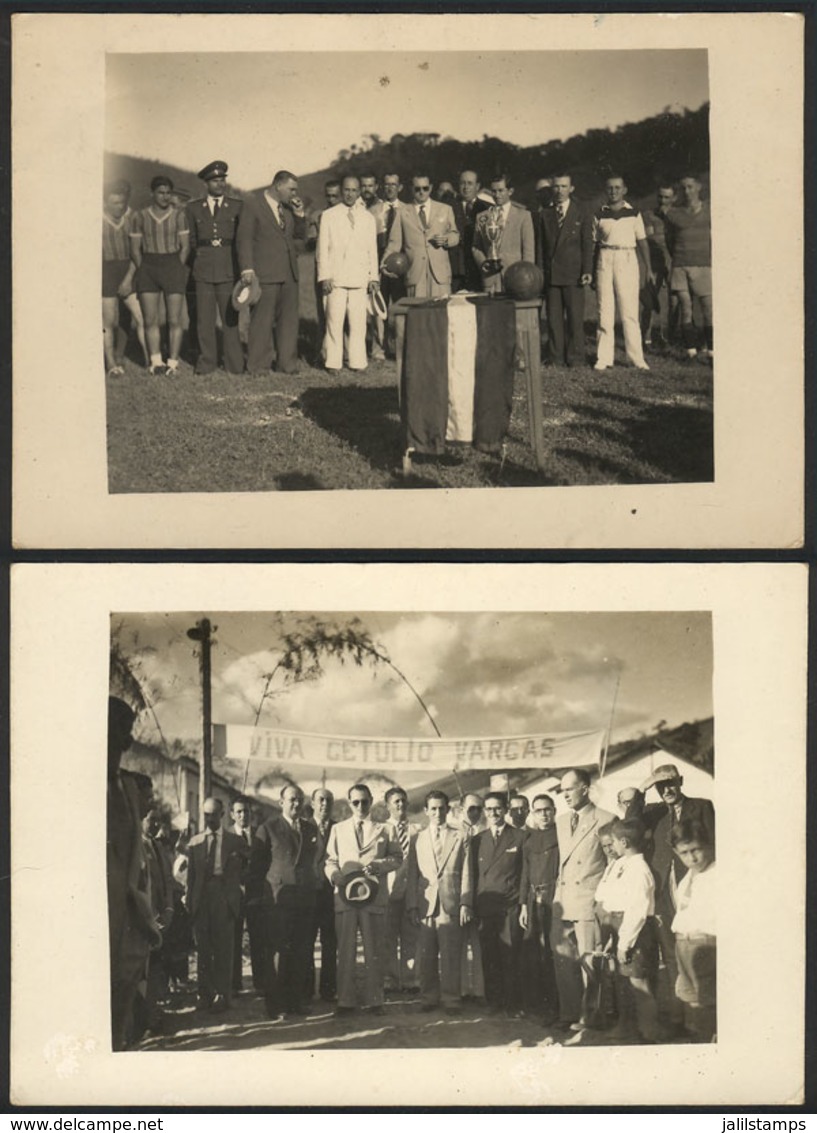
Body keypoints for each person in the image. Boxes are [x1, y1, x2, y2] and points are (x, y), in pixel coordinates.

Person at [640, 763, 715, 1032]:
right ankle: (677, 1016)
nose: (666, 790)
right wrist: (643, 788)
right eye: (660, 786)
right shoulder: (654, 812)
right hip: (663, 887)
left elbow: (714, 843)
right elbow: (629, 823)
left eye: (670, 783)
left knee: (698, 951)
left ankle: (699, 1019)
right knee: (672, 953)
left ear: (681, 781)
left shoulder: (702, 806)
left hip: (693, 881)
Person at [106, 698, 161, 1050]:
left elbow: (135, 864)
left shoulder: (126, 787)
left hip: (128, 920)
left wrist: (145, 921)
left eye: (124, 734)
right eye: (116, 733)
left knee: (120, 1005)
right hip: (91, 925)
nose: (122, 742)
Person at [324, 783, 402, 1015]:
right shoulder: (338, 829)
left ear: (371, 802)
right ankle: (345, 1001)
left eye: (364, 801)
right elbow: (330, 860)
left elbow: (397, 858)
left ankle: (375, 1000)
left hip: (374, 897)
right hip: (346, 897)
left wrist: (378, 866)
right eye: (355, 802)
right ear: (349, 804)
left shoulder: (386, 829)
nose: (360, 806)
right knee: (345, 950)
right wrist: (335, 875)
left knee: (374, 950)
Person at [248, 784, 320, 1019]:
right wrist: (258, 900)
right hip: (278, 900)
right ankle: (276, 1006)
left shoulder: (310, 829)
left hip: (303, 899)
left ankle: (295, 1003)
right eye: (291, 799)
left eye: (299, 799)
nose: (296, 804)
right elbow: (257, 868)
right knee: (278, 954)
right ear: (281, 803)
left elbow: (312, 862)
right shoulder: (268, 828)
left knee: (301, 953)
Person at [550, 768, 613, 1030]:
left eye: (570, 789)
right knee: (564, 963)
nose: (564, 795)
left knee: (590, 964)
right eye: (562, 790)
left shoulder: (606, 818)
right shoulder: (561, 821)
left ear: (585, 788)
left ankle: (591, 1017)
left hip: (588, 901)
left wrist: (603, 903)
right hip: (563, 900)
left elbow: (612, 864)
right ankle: (569, 1013)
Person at [406, 791, 473, 1014]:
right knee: (426, 954)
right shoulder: (417, 839)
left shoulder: (460, 836)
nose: (437, 812)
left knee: (450, 953)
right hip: (426, 904)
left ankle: (451, 999)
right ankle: (429, 997)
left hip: (450, 902)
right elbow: (413, 874)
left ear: (448, 809)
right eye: (432, 808)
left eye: (441, 808)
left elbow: (466, 873)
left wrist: (465, 902)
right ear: (426, 811)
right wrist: (413, 905)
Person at [236, 169, 306, 376]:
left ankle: (287, 364)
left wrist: (300, 215)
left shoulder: (289, 208)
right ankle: (258, 365)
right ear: (278, 186)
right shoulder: (253, 204)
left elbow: (299, 238)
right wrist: (247, 268)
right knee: (261, 322)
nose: (294, 194)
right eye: (291, 190)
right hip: (264, 274)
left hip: (289, 274)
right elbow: (244, 239)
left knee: (289, 322)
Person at [598, 818, 660, 1043]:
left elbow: (637, 910)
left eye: (613, 841)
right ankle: (628, 1028)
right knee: (624, 982)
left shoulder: (639, 870)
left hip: (634, 930)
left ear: (623, 842)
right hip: (619, 925)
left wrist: (625, 943)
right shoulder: (623, 864)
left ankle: (649, 1034)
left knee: (638, 983)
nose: (611, 846)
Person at [186, 797, 247, 1013]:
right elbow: (191, 877)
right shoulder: (195, 843)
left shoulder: (235, 841)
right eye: (206, 814)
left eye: (213, 814)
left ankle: (223, 994)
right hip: (202, 898)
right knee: (203, 949)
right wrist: (190, 903)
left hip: (224, 897)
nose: (209, 818)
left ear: (222, 814)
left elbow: (246, 871)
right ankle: (205, 994)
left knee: (224, 948)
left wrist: (238, 891)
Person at [316, 175, 381, 375]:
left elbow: (372, 249)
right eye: (347, 190)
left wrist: (373, 277)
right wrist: (324, 276)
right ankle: (333, 363)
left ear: (359, 191)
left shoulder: (368, 218)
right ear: (341, 190)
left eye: (354, 190)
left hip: (359, 279)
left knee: (358, 323)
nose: (350, 194)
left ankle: (357, 361)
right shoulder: (329, 215)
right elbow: (322, 249)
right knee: (334, 322)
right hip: (335, 278)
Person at [185, 160, 244, 375]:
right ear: (207, 184)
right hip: (203, 270)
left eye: (222, 180)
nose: (220, 184)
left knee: (230, 318)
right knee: (204, 319)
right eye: (215, 181)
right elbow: (191, 239)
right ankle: (207, 363)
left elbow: (241, 239)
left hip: (228, 269)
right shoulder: (193, 208)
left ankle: (234, 364)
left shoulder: (237, 206)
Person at [129, 175, 190, 375]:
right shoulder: (140, 216)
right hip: (148, 265)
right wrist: (144, 267)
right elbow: (135, 249)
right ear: (152, 193)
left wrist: (175, 267)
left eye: (168, 193)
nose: (165, 197)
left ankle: (172, 363)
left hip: (172, 264)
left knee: (174, 319)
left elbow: (185, 247)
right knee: (150, 319)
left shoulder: (179, 215)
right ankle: (156, 362)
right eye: (160, 193)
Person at [471, 792, 526, 1016]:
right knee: (490, 955)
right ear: (484, 812)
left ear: (505, 810)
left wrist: (522, 904)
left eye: (498, 808)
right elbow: (473, 876)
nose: (493, 813)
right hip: (485, 906)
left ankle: (513, 1004)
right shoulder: (477, 840)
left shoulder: (520, 837)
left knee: (510, 955)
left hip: (509, 906)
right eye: (489, 809)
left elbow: (524, 875)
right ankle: (495, 1002)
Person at [591, 174, 652, 372]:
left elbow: (642, 241)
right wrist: (592, 270)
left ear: (624, 190)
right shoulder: (599, 214)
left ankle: (636, 359)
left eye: (618, 188)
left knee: (629, 312)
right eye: (610, 188)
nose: (614, 191)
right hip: (605, 258)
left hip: (627, 258)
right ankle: (603, 358)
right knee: (605, 311)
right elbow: (593, 244)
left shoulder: (634, 213)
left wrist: (648, 268)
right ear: (605, 190)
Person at [538, 173, 594, 367]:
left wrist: (587, 269)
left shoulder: (581, 212)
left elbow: (588, 243)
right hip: (552, 275)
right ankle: (556, 357)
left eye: (563, 186)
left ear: (571, 188)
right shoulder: (545, 214)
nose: (559, 191)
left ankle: (576, 358)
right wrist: (540, 274)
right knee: (554, 319)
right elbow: (541, 248)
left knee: (575, 319)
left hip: (574, 274)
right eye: (556, 187)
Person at [670, 819, 717, 1041]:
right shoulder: (688, 876)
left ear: (708, 844)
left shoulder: (717, 874)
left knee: (706, 1003)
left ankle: (707, 1044)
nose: (692, 858)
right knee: (689, 999)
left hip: (705, 944)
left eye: (696, 850)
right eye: (684, 853)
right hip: (684, 945)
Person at [383, 173, 459, 298]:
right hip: (415, 275)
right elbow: (394, 243)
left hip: (440, 276)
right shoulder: (402, 212)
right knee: (417, 315)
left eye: (425, 188)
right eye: (417, 189)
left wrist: (446, 240)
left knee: (440, 314)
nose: (421, 192)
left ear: (431, 187)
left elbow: (455, 235)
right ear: (411, 189)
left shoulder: (445, 209)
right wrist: (384, 264)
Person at [518, 794, 560, 1024]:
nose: (544, 814)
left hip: (555, 899)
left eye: (547, 809)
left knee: (554, 952)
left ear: (554, 810)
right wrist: (523, 904)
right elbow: (525, 873)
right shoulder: (529, 839)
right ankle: (538, 1005)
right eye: (539, 810)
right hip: (534, 901)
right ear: (532, 814)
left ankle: (556, 1005)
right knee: (534, 952)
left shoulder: (562, 835)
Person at [664, 175, 713, 362]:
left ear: (699, 187)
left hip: (703, 265)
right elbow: (669, 240)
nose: (687, 191)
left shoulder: (709, 210)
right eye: (683, 188)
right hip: (680, 265)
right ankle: (690, 351)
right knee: (685, 307)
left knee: (708, 309)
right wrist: (677, 257)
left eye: (690, 187)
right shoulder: (673, 213)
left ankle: (711, 351)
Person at [102, 181, 149, 375]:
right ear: (105, 202)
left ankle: (151, 362)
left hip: (128, 269)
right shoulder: (95, 219)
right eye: (114, 202)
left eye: (122, 202)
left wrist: (129, 278)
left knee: (142, 317)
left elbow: (137, 252)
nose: (119, 206)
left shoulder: (132, 217)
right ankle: (112, 364)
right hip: (105, 272)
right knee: (109, 322)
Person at [383, 785, 421, 994]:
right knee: (388, 937)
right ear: (388, 805)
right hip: (388, 890)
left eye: (403, 800)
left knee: (411, 936)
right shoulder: (382, 829)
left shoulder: (417, 830)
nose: (400, 804)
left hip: (411, 890)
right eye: (396, 801)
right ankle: (390, 979)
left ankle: (410, 980)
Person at [472, 173, 535, 295]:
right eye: (494, 191)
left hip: (516, 278)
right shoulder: (482, 217)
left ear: (510, 191)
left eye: (501, 190)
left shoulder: (523, 216)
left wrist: (526, 277)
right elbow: (476, 246)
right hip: (490, 278)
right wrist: (483, 263)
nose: (497, 195)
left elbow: (528, 252)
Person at [229, 795, 264, 995]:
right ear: (232, 815)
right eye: (239, 811)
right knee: (234, 938)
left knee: (258, 938)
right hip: (234, 894)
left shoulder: (259, 836)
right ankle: (235, 984)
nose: (243, 815)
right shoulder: (227, 837)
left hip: (255, 894)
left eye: (247, 812)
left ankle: (260, 983)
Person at [307, 787, 338, 1002]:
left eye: (328, 800)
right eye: (320, 800)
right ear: (312, 803)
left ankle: (328, 990)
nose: (324, 804)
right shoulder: (302, 827)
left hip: (331, 894)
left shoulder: (340, 828)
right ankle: (306, 990)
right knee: (306, 943)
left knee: (330, 943)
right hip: (308, 894)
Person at [457, 793, 485, 1001]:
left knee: (478, 945)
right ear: (461, 809)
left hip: (480, 894)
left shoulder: (484, 831)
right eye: (471, 808)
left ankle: (479, 990)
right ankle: (462, 990)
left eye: (478, 808)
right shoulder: (455, 832)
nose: (475, 812)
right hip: (460, 895)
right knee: (459, 944)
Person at [641, 185, 677, 348]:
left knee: (674, 301)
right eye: (660, 197)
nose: (663, 201)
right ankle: (646, 337)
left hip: (674, 262)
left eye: (667, 197)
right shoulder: (649, 215)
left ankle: (670, 337)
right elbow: (649, 239)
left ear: (674, 198)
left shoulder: (679, 215)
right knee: (649, 301)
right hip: (654, 263)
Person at [375, 172, 407, 356]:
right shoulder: (373, 211)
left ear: (400, 187)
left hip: (399, 266)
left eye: (394, 184)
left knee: (400, 307)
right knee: (379, 307)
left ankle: (399, 347)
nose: (390, 188)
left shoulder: (407, 210)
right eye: (387, 184)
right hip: (378, 265)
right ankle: (379, 348)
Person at [310, 180, 342, 348]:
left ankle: (345, 349)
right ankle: (323, 349)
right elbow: (310, 241)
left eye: (335, 196)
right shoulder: (318, 215)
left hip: (343, 267)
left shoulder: (349, 215)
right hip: (322, 267)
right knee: (323, 309)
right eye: (328, 196)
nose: (331, 200)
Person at [449, 169, 491, 293]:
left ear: (477, 186)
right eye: (463, 183)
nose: (466, 187)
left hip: (478, 269)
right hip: (455, 269)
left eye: (470, 183)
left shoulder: (487, 208)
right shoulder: (448, 207)